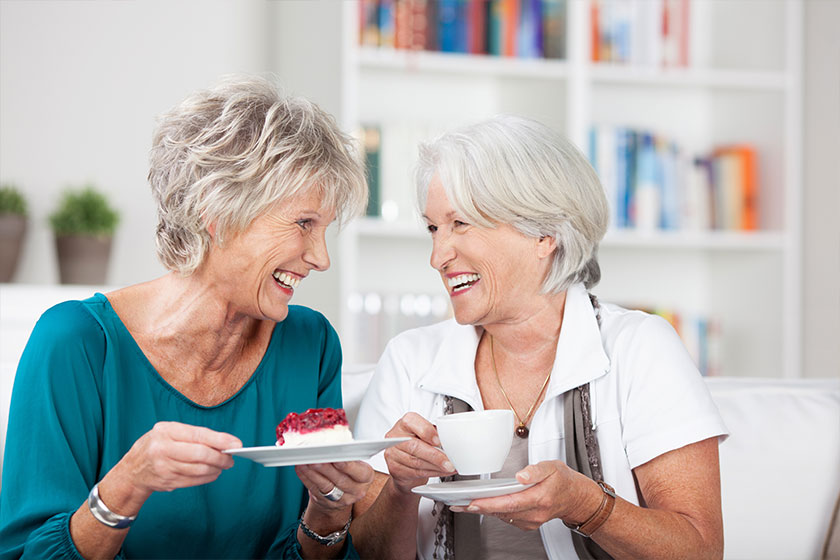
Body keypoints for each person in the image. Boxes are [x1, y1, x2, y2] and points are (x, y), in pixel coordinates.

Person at [0, 76, 373, 559]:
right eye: (304, 223)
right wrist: (126, 486)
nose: (321, 258)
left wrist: (329, 510)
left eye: (325, 230)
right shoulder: (76, 343)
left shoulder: (311, 344)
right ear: (215, 212)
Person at [350, 115, 728, 559]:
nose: (438, 257)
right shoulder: (408, 359)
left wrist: (586, 505)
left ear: (544, 234)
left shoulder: (641, 348)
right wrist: (400, 488)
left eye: (461, 224)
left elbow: (700, 550)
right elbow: (366, 553)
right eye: (434, 228)